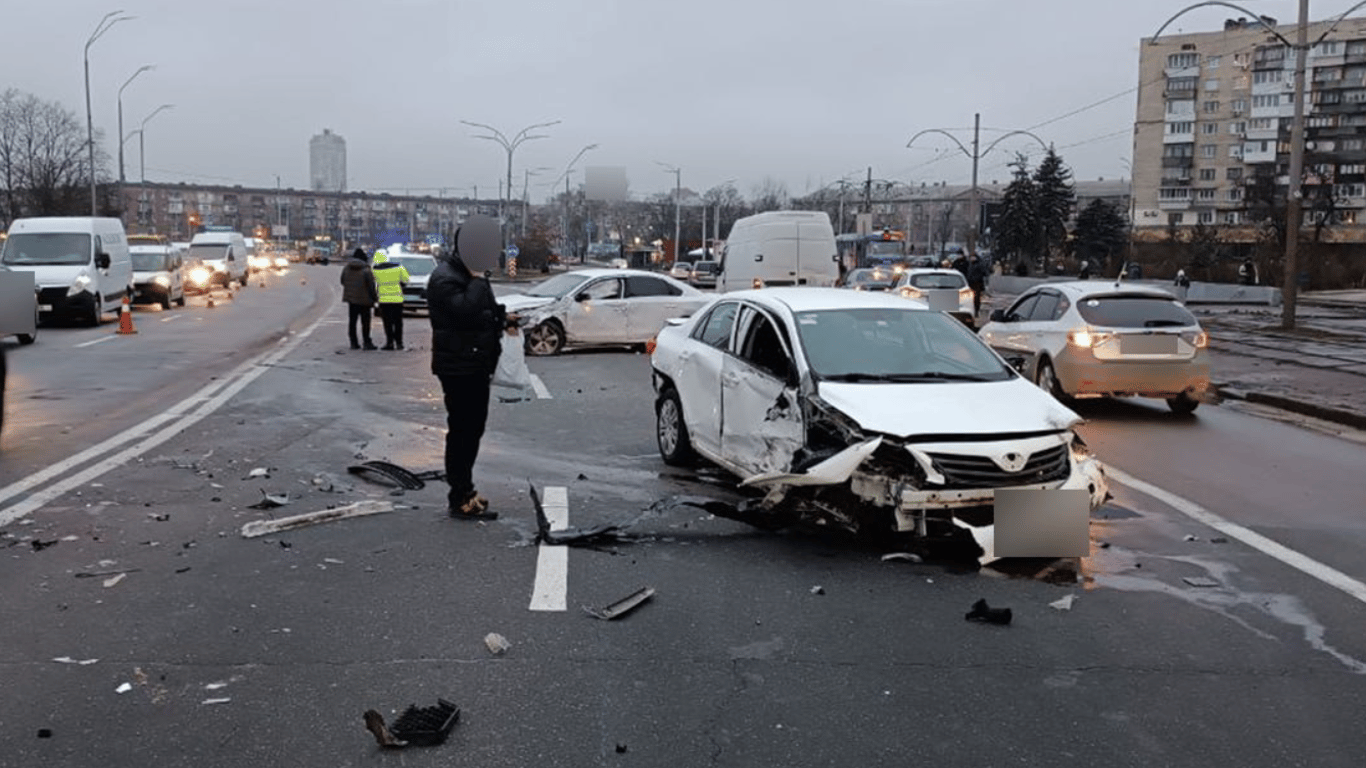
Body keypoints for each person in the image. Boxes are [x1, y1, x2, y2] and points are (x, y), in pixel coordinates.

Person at [427, 235, 513, 520]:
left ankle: (465, 491)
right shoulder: (446, 278)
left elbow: (483, 310)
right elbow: (464, 311)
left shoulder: (467, 275)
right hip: (458, 366)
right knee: (463, 432)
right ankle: (460, 497)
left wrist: (504, 319)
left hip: (474, 363)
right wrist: (477, 279)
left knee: (473, 430)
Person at [340, 247, 379, 350]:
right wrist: (375, 298)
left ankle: (353, 342)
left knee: (352, 322)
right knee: (365, 322)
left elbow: (342, 281)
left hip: (352, 300)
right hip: (365, 301)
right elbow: (371, 286)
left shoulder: (347, 268)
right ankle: (366, 342)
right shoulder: (366, 269)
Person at [371, 249, 410, 350]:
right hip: (397, 299)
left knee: (387, 323)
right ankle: (399, 343)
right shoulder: (398, 267)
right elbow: (406, 279)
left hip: (384, 300)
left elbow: (373, 283)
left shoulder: (375, 269)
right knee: (398, 322)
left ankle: (389, 343)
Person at [966, 252, 988, 317]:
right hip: (970, 284)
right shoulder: (970, 264)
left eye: (973, 257)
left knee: (976, 298)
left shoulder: (980, 264)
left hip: (977, 283)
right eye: (971, 257)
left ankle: (976, 311)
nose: (972, 258)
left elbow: (985, 273)